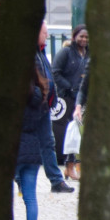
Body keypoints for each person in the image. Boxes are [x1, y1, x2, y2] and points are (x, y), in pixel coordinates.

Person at [15, 40, 55, 220]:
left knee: (8, 194)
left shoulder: (14, 96)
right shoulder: (41, 93)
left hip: (14, 149)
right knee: (30, 196)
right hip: (33, 149)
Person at [33, 22, 74, 193]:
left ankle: (56, 181)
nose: (47, 36)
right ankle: (21, 178)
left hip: (43, 106)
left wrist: (52, 98)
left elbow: (48, 76)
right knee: (29, 143)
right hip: (33, 106)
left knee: (48, 142)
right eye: (45, 33)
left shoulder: (41, 52)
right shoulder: (32, 53)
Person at [51, 25, 88, 181]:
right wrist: (69, 86)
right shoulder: (66, 52)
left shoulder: (88, 54)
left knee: (79, 132)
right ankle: (69, 165)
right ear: (74, 37)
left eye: (86, 37)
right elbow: (55, 72)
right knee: (70, 132)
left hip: (82, 97)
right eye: (81, 36)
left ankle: (75, 165)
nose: (84, 39)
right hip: (66, 98)